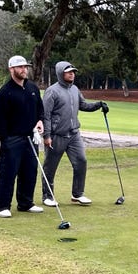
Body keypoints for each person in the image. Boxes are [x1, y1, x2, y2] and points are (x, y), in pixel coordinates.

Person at [41, 61, 107, 207]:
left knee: (81, 161)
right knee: (50, 167)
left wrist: (98, 105)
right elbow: (45, 115)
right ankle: (47, 196)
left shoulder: (74, 89)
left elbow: (83, 105)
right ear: (60, 73)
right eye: (69, 71)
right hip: (57, 135)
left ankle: (77, 194)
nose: (72, 74)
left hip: (74, 134)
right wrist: (47, 135)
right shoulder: (52, 91)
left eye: (73, 72)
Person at [0, 56, 45, 218]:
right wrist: (5, 139)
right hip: (12, 138)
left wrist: (40, 122)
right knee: (8, 172)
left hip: (31, 137)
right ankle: (1, 206)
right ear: (11, 69)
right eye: (20, 67)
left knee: (29, 171)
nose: (24, 69)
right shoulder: (4, 92)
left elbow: (39, 110)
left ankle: (25, 203)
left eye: (25, 67)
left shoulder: (33, 88)